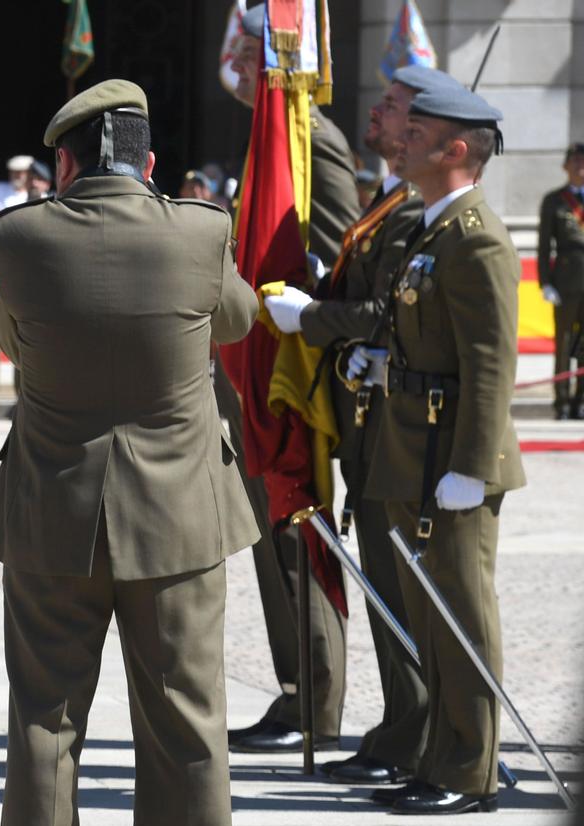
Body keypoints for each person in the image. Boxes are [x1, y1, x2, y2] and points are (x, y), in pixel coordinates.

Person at [0, 79, 258, 826]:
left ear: (64, 161)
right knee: (186, 721)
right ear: (148, 163)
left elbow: (15, 343)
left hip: (54, 509)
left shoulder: (19, 235)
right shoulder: (201, 230)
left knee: (45, 721)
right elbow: (237, 318)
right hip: (178, 516)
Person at [261, 67, 438, 791]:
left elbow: (390, 316)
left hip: (401, 425)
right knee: (387, 587)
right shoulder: (390, 202)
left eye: (393, 109)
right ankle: (402, 726)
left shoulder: (419, 211)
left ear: (427, 131)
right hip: (369, 419)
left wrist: (311, 316)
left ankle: (426, 730)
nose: (378, 113)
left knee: (411, 590)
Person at [365, 78, 523, 814]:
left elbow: (492, 362)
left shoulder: (478, 236)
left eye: (418, 132)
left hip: (452, 455)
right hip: (413, 444)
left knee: (459, 611)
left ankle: (471, 769)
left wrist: (472, 467)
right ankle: (438, 757)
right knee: (429, 613)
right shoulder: (431, 227)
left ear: (457, 150)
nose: (404, 140)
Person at [221, 2, 361, 758]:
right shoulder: (260, 143)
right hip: (257, 372)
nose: (240, 66)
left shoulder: (314, 142)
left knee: (298, 532)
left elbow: (338, 250)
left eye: (251, 55)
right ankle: (295, 685)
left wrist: (308, 330)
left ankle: (320, 696)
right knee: (272, 545)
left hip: (297, 374)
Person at [536, 142, 584, 421]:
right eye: (575, 161)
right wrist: (546, 283)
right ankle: (562, 401)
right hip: (565, 284)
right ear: (566, 166)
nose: (580, 166)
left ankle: (581, 401)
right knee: (565, 345)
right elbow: (544, 245)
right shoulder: (554, 200)